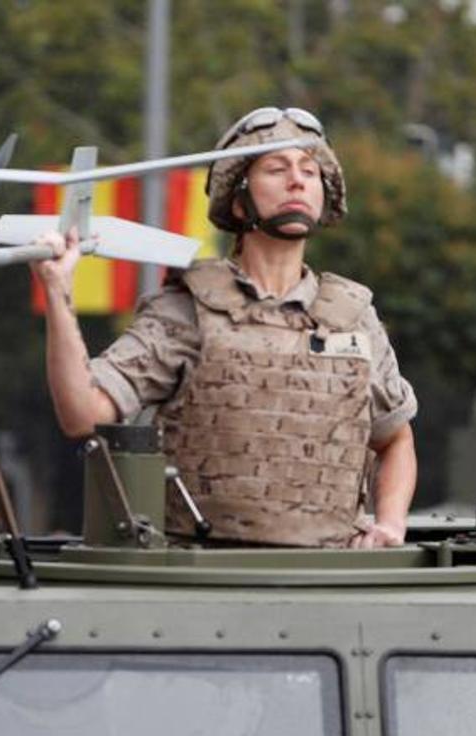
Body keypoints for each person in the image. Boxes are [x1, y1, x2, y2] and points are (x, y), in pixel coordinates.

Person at [31, 107, 417, 548]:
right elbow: (82, 414)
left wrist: (390, 524)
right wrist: (59, 291)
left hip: (327, 576)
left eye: (309, 171)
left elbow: (396, 439)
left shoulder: (352, 314)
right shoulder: (189, 309)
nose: (297, 180)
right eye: (277, 168)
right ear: (238, 199)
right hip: (207, 578)